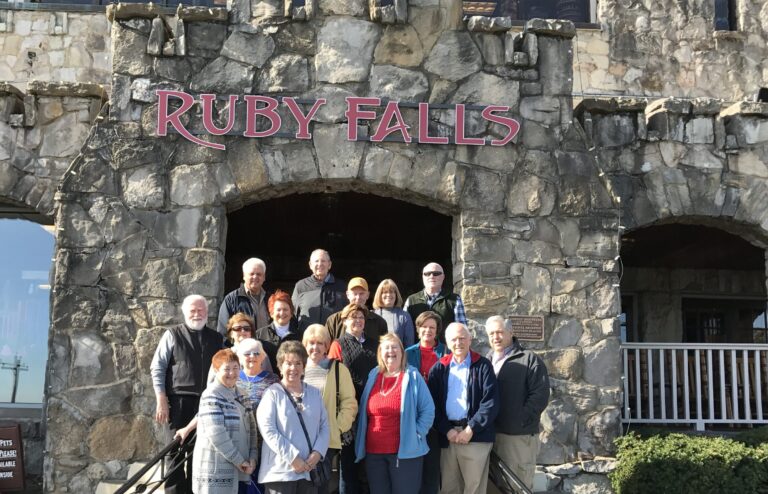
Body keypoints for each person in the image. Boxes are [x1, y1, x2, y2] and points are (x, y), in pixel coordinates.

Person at [151, 294, 224, 494]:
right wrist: (161, 398)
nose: (197, 314)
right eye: (192, 310)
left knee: (200, 454)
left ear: (207, 313)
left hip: (207, 403)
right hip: (178, 401)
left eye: (201, 310)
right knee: (174, 452)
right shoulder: (172, 335)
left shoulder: (217, 339)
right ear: (185, 313)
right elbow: (157, 367)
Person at [354, 333, 435, 494]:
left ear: (402, 352)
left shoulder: (412, 376)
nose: (390, 351)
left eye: (394, 347)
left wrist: (417, 433)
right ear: (380, 353)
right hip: (374, 453)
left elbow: (428, 410)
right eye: (386, 347)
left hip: (405, 453)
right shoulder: (373, 375)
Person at [427, 323, 499, 494]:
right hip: (448, 437)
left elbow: (490, 402)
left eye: (462, 338)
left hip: (475, 436)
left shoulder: (483, 366)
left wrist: (471, 429)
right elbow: (432, 405)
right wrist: (447, 430)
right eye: (454, 339)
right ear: (447, 342)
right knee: (449, 488)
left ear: (470, 340)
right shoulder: (439, 368)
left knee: (473, 488)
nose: (458, 343)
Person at [485, 316, 550, 491]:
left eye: (499, 332)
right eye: (491, 333)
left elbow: (540, 395)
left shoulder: (529, 359)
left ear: (511, 332)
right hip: (491, 435)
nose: (495, 337)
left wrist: (520, 419)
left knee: (517, 486)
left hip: (517, 437)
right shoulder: (486, 361)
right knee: (494, 487)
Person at [257, 341, 330, 494]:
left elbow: (324, 426)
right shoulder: (272, 394)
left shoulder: (315, 393)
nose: (293, 368)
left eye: (298, 363)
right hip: (280, 474)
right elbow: (268, 430)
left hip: (309, 472)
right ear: (280, 366)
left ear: (304, 367)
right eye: (288, 363)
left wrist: (317, 454)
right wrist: (292, 458)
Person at [326, 304, 379, 494]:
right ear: (345, 320)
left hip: (372, 410)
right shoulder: (338, 344)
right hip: (349, 410)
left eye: (361, 317)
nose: (357, 320)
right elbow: (333, 377)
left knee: (369, 464)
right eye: (353, 316)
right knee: (348, 465)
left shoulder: (375, 344)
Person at [192, 349, 259, 494]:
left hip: (243, 469)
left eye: (235, 368)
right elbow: (217, 434)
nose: (232, 373)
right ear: (216, 370)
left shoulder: (242, 393)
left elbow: (252, 428)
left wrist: (253, 457)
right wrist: (239, 460)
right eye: (226, 369)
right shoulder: (211, 395)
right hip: (217, 473)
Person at [302, 324, 358, 494]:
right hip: (301, 437)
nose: (315, 347)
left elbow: (349, 403)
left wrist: (336, 427)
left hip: (326, 439)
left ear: (327, 345)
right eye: (311, 343)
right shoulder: (298, 369)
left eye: (320, 343)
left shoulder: (338, 369)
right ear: (305, 345)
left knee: (321, 486)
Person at [404, 311, 449, 494]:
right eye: (424, 327)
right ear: (418, 328)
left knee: (432, 468)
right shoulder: (407, 353)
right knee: (413, 468)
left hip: (437, 417)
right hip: (413, 416)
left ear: (437, 330)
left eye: (432, 327)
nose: (428, 331)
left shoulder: (446, 352)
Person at [404, 262, 467, 343]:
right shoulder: (411, 300)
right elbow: (405, 332)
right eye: (427, 274)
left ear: (443, 277)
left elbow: (461, 330)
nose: (431, 276)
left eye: (436, 273)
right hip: (417, 353)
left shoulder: (454, 300)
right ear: (423, 277)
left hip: (445, 352)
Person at [292, 249, 347, 333]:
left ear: (329, 265)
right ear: (310, 265)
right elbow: (293, 314)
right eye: (316, 261)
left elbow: (348, 315)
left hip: (334, 340)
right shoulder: (301, 286)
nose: (320, 264)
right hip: (307, 340)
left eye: (323, 261)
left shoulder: (342, 286)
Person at [324, 277, 388, 342]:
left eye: (361, 293)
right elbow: (326, 347)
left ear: (368, 295)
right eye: (355, 294)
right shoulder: (333, 321)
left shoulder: (379, 322)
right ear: (348, 295)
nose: (358, 297)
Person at [218, 258, 272, 335]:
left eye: (259, 274)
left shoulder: (271, 299)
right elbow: (223, 331)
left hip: (267, 347)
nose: (255, 277)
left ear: (264, 277)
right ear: (244, 276)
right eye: (251, 274)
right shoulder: (231, 300)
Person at [254, 290, 301, 372]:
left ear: (291, 312)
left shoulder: (300, 335)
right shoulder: (259, 335)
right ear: (271, 313)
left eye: (285, 309)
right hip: (267, 381)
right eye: (278, 310)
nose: (282, 313)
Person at [371, 279, 415, 347]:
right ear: (379, 295)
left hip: (398, 356)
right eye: (385, 292)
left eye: (391, 292)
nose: (388, 295)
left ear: (396, 295)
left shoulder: (404, 316)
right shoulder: (372, 315)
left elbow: (409, 344)